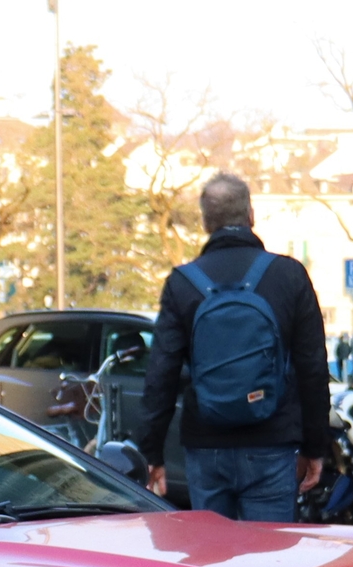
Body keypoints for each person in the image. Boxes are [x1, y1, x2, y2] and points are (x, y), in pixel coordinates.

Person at [135, 172, 332, 520]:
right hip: (273, 441)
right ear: (250, 215)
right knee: (269, 564)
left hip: (205, 444)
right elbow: (312, 369)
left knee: (214, 559)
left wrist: (152, 453)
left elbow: (161, 374)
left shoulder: (182, 283)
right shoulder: (289, 276)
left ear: (206, 222)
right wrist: (316, 447)